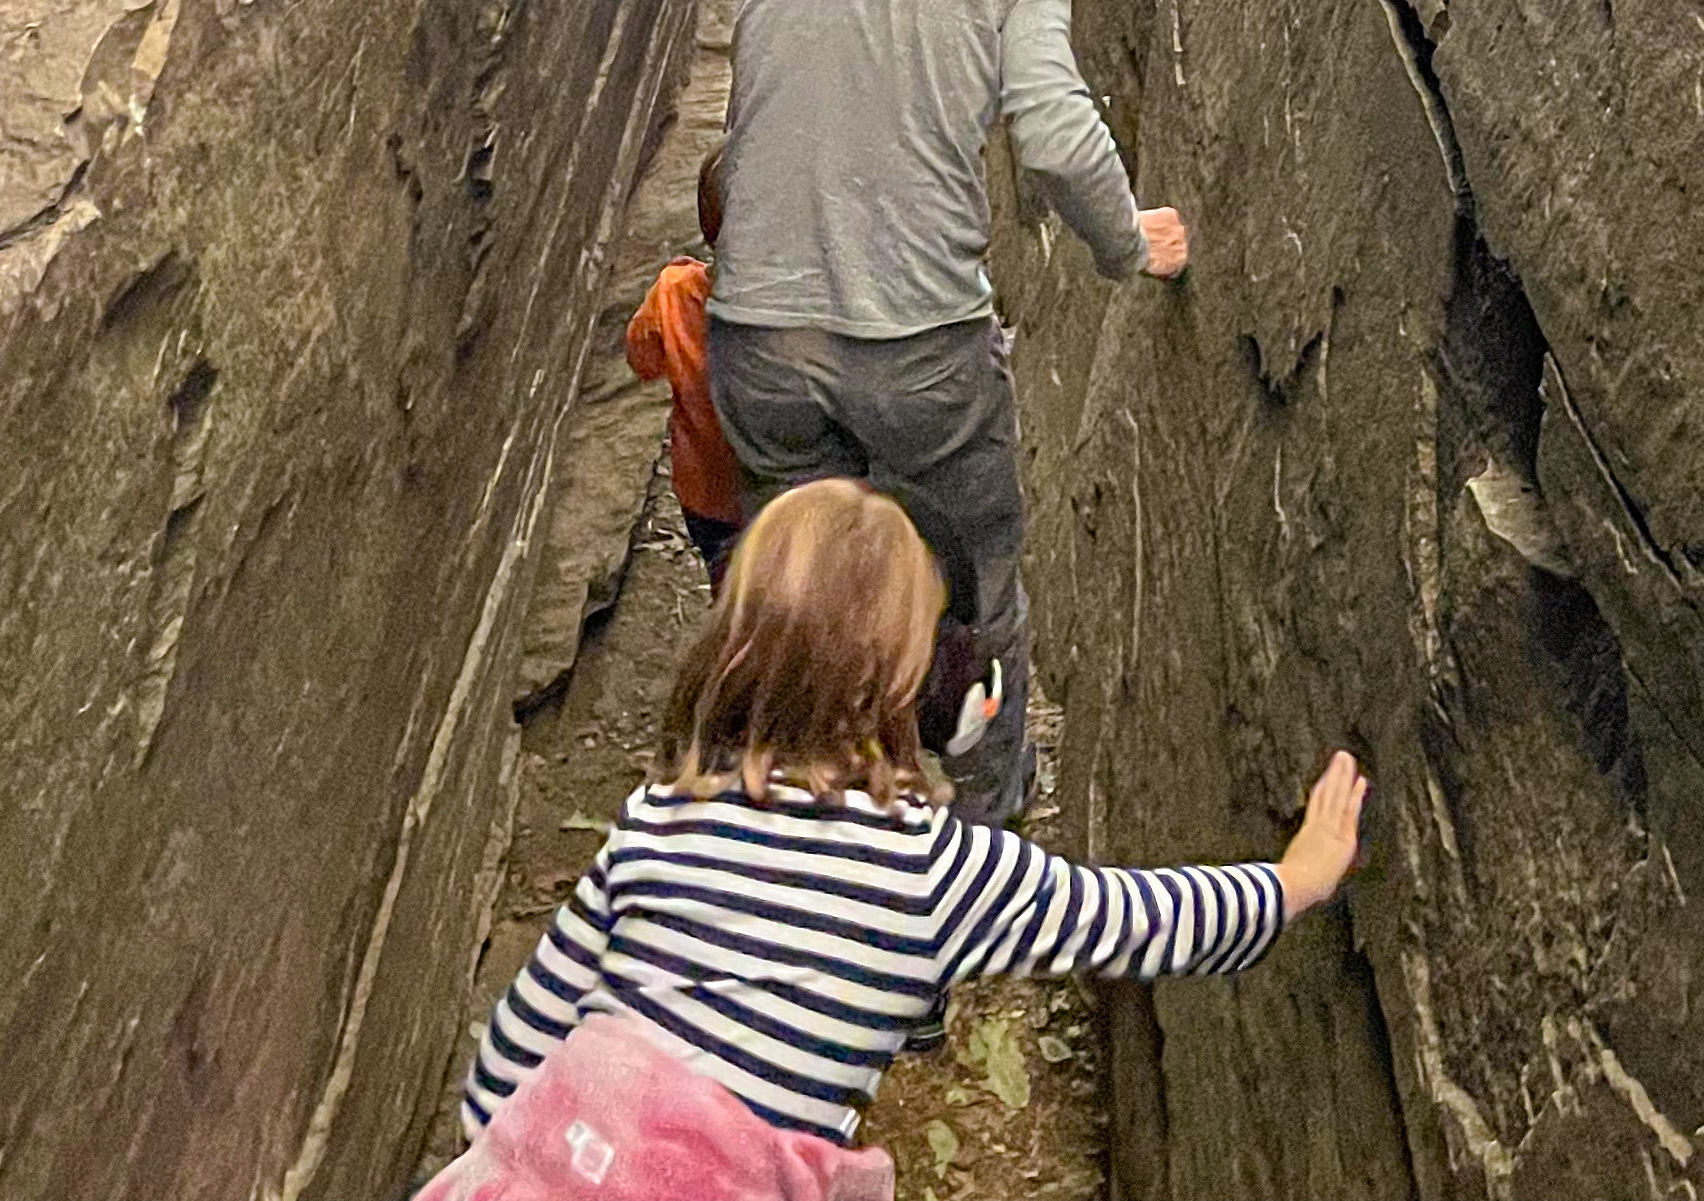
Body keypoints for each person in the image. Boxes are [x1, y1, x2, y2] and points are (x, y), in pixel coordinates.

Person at [443, 483, 1364, 1192]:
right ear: (922, 683)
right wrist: (1292, 882)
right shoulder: (934, 869)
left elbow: (506, 1064)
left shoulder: (662, 814)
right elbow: (1133, 919)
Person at [705, 0, 1186, 824]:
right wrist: (1128, 245)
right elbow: (1060, 140)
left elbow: (747, 130)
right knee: (976, 587)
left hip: (758, 338)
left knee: (796, 589)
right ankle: (982, 820)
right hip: (918, 345)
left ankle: (801, 809)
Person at [626, 152, 747, 589]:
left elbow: (643, 360)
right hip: (775, 488)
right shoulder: (797, 300)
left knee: (727, 588)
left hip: (704, 495)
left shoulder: (673, 293)